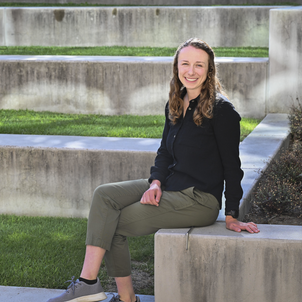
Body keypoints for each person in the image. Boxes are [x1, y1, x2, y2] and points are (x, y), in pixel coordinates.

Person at [47, 37, 260, 302]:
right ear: (176, 67)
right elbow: (164, 154)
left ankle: (118, 295)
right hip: (170, 185)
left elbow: (232, 166)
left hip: (199, 199)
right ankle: (89, 283)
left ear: (209, 70)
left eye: (198, 65)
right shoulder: (176, 102)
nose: (191, 71)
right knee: (105, 195)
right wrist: (155, 183)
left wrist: (231, 214)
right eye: (185, 64)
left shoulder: (222, 111)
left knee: (112, 224)